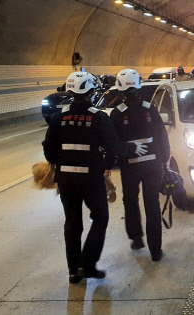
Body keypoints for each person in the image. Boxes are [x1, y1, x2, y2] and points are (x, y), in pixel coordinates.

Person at [42, 72, 144, 284]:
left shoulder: (58, 117)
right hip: (90, 179)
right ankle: (87, 265)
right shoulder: (98, 117)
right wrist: (131, 147)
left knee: (72, 223)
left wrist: (58, 163)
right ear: (91, 91)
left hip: (66, 180)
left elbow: (48, 149)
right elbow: (114, 147)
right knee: (100, 218)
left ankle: (73, 272)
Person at [105, 69, 170, 262]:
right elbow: (162, 138)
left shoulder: (116, 114)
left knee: (130, 201)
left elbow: (112, 144)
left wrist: (108, 166)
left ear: (120, 89)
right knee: (152, 205)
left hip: (130, 166)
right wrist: (164, 161)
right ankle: (156, 251)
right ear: (139, 85)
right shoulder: (150, 108)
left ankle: (136, 238)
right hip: (152, 166)